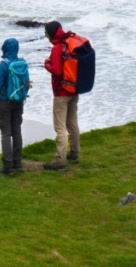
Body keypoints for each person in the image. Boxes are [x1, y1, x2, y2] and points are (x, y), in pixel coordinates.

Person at [43, 20, 80, 171]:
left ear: (51, 34)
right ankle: (75, 153)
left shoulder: (58, 48)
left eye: (46, 33)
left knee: (59, 127)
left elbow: (57, 71)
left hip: (61, 93)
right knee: (72, 123)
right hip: (74, 89)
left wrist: (47, 65)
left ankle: (60, 160)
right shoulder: (71, 42)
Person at [0, 37, 26, 175]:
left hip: (5, 102)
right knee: (16, 130)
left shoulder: (4, 64)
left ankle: (7, 166)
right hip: (18, 101)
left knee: (6, 132)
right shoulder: (22, 62)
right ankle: (17, 162)